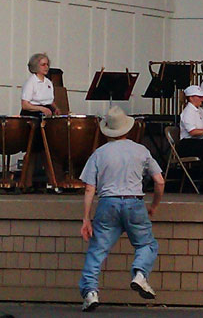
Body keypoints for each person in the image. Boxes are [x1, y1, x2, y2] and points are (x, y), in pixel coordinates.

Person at [78, 106, 165, 312]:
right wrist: (153, 206)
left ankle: (90, 292)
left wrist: (86, 218)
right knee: (146, 244)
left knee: (97, 250)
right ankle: (140, 275)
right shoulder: (141, 150)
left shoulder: (99, 153)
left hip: (108, 203)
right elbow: (159, 181)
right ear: (127, 128)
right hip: (135, 203)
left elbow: (90, 188)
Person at [20, 53, 61, 189]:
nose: (46, 67)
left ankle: (53, 181)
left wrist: (55, 108)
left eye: (47, 64)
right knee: (32, 151)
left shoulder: (48, 83)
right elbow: (25, 104)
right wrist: (41, 109)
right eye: (43, 64)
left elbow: (50, 100)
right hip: (32, 117)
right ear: (36, 67)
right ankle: (26, 183)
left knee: (47, 150)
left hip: (46, 117)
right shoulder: (30, 82)